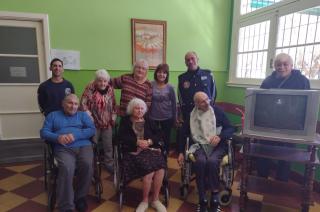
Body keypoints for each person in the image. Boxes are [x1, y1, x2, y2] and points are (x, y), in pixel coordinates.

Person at [177, 92, 235, 212]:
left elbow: (230, 128)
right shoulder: (192, 115)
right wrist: (181, 152)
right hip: (200, 145)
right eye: (203, 101)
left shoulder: (217, 111)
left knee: (213, 161)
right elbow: (183, 133)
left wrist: (220, 136)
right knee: (201, 162)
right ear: (196, 103)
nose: (207, 102)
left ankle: (214, 196)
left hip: (218, 145)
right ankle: (202, 198)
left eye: (207, 99)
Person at [257, 53, 310, 182]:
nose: (282, 67)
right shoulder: (267, 81)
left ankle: (282, 181)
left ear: (291, 65)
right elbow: (260, 103)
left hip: (291, 126)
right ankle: (261, 179)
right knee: (263, 153)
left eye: (285, 64)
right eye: (278, 64)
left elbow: (306, 106)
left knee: (286, 157)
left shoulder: (302, 81)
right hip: (269, 125)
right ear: (274, 66)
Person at [40, 94, 96, 212]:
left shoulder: (82, 115)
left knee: (87, 165)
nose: (73, 106)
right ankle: (66, 206)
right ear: (63, 103)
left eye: (76, 104)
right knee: (66, 168)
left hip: (83, 145)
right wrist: (57, 137)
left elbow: (91, 129)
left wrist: (75, 135)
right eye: (70, 103)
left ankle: (80, 198)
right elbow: (44, 132)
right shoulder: (53, 116)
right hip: (63, 147)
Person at [117, 98, 167, 212]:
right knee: (149, 170)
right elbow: (121, 137)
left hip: (150, 150)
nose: (139, 110)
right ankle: (144, 201)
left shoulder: (148, 120)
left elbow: (159, 134)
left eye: (141, 108)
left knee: (161, 168)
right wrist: (137, 142)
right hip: (132, 152)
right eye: (136, 108)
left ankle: (155, 200)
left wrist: (149, 141)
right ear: (131, 109)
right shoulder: (125, 121)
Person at [177, 51, 217, 160]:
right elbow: (180, 98)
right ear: (185, 62)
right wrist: (184, 114)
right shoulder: (182, 78)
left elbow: (213, 94)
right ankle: (194, 161)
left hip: (206, 112)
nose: (190, 61)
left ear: (197, 59)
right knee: (191, 137)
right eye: (187, 60)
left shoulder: (208, 74)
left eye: (192, 58)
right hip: (190, 114)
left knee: (206, 135)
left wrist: (210, 108)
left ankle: (208, 156)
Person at [80, 69, 116, 173]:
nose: (102, 83)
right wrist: (90, 117)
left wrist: (113, 119)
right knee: (93, 144)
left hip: (107, 122)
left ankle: (109, 163)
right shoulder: (90, 88)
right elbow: (83, 104)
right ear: (96, 81)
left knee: (108, 145)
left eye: (105, 81)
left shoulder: (110, 89)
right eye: (100, 81)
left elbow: (114, 105)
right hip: (93, 123)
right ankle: (92, 164)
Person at [149, 63, 177, 153]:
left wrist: (175, 118)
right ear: (156, 73)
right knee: (153, 137)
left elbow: (174, 104)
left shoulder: (170, 87)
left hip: (167, 117)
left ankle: (165, 154)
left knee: (166, 138)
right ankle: (154, 155)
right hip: (152, 117)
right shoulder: (150, 84)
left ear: (167, 75)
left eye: (164, 73)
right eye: (159, 72)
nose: (162, 74)